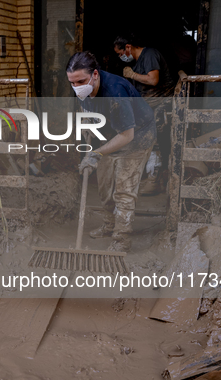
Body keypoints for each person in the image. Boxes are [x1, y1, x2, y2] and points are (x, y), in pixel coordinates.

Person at [66, 51, 156, 252]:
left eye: (81, 81)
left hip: (137, 136)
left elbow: (127, 136)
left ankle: (121, 239)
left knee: (124, 189)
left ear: (95, 75)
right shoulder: (83, 88)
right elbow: (86, 108)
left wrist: (96, 154)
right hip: (108, 134)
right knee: (104, 185)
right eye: (72, 83)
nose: (77, 87)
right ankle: (109, 224)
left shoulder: (116, 92)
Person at [114, 35, 176, 195]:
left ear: (128, 47)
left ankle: (153, 180)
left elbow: (153, 80)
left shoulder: (149, 55)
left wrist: (132, 75)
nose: (121, 57)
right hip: (149, 104)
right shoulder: (139, 60)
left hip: (161, 102)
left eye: (120, 53)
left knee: (152, 139)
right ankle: (142, 176)